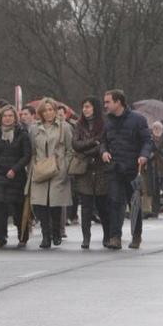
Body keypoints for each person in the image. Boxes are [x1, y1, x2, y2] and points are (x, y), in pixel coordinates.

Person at [100, 89, 152, 249]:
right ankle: (115, 237)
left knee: (134, 203)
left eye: (108, 102)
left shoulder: (137, 119)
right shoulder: (107, 121)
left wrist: (144, 155)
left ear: (118, 102)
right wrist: (104, 151)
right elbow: (103, 141)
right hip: (114, 168)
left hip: (132, 168)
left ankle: (136, 236)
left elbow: (147, 141)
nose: (105, 105)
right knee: (114, 202)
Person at [0, 105, 31, 248]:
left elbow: (26, 155)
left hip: (16, 175)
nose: (7, 118)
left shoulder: (22, 133)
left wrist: (15, 169)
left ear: (15, 118)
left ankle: (23, 235)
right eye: (5, 116)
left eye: (10, 116)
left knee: (18, 207)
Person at [29, 98, 73, 249]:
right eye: (45, 110)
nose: (48, 113)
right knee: (40, 204)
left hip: (58, 169)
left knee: (55, 204)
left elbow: (70, 149)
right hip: (40, 169)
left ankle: (56, 232)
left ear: (55, 111)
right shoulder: (34, 128)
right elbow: (32, 150)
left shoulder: (64, 127)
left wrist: (65, 166)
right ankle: (45, 236)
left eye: (51, 110)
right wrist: (33, 167)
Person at [72, 97, 110, 249]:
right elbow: (75, 144)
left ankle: (107, 235)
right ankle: (86, 237)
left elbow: (103, 143)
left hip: (100, 168)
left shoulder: (104, 124)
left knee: (102, 204)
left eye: (88, 106)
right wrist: (92, 143)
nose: (85, 110)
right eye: (83, 107)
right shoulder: (79, 125)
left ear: (95, 107)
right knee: (86, 205)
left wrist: (90, 147)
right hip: (84, 168)